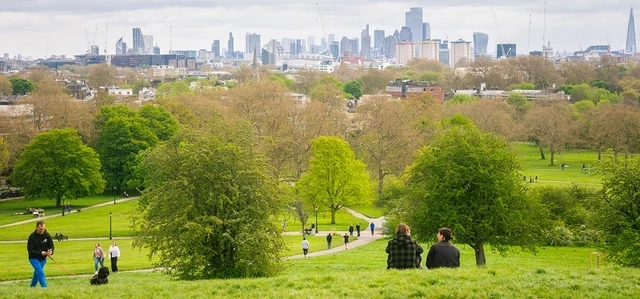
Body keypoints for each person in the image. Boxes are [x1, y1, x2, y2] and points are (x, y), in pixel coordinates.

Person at [27, 220, 54, 288]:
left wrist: (51, 251)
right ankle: (45, 289)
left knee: (37, 274)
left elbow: (51, 246)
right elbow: (30, 250)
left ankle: (32, 287)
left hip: (43, 259)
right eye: (40, 229)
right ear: (37, 228)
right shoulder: (32, 237)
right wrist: (41, 253)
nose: (42, 230)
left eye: (43, 229)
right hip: (33, 258)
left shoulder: (47, 235)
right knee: (40, 273)